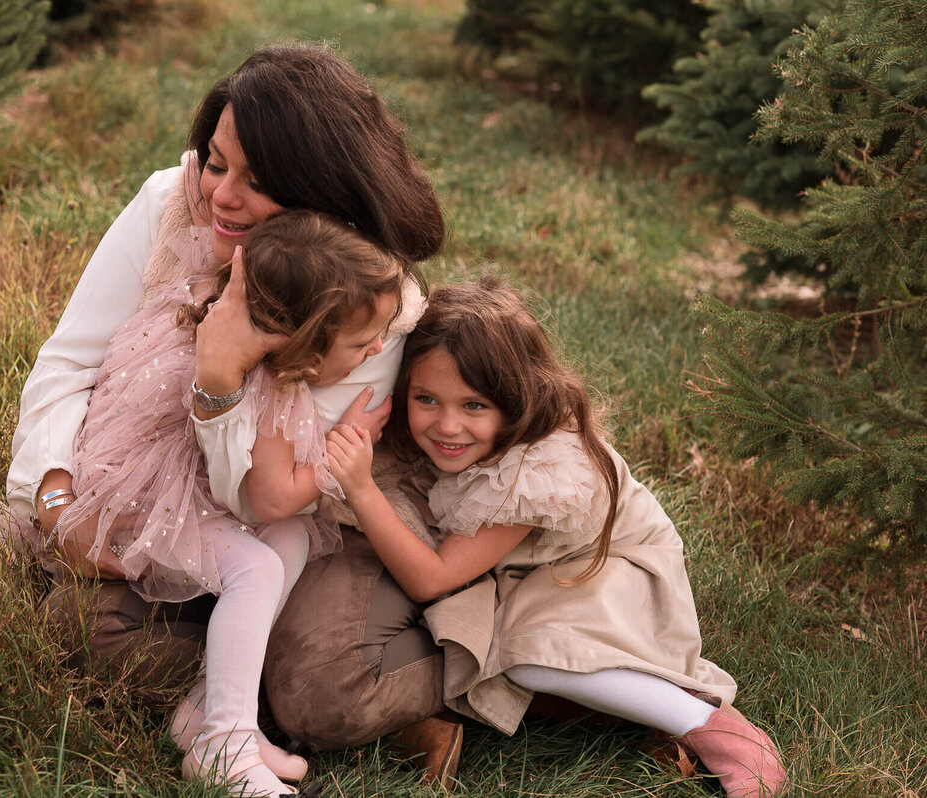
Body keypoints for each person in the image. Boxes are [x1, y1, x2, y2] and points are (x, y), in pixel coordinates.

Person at [2, 41, 454, 787]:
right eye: (217, 162)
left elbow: (267, 498)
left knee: (315, 688)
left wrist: (218, 379)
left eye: (259, 181)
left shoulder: (372, 305)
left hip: (304, 518)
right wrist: (56, 499)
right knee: (81, 629)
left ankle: (454, 675)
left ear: (325, 199)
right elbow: (68, 363)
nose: (221, 197)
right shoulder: (168, 204)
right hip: (172, 503)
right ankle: (224, 709)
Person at [324, 276, 789, 798]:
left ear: (517, 400)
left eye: (473, 406)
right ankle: (615, 707)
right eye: (426, 399)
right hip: (539, 573)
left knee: (528, 652)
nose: (447, 425)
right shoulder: (460, 447)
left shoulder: (531, 476)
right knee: (486, 640)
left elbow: (432, 579)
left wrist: (362, 490)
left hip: (612, 571)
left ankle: (708, 724)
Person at [39, 209, 404, 797]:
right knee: (256, 562)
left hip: (165, 491)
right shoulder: (270, 383)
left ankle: (205, 710)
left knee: (290, 541)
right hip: (131, 506)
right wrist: (343, 453)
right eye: (363, 342)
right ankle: (224, 747)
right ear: (307, 348)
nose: (380, 348)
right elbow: (270, 497)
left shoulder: (238, 330)